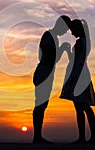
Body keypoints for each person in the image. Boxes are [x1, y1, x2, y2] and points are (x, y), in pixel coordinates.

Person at [32, 15, 71, 144]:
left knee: (42, 105)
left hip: (46, 72)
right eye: (66, 29)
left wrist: (61, 49)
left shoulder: (51, 37)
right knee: (40, 105)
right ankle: (37, 137)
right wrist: (61, 49)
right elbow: (50, 58)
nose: (66, 32)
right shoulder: (49, 36)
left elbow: (51, 58)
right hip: (44, 73)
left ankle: (38, 136)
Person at [60, 19, 95, 144]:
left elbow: (75, 60)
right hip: (82, 73)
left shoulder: (80, 42)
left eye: (72, 30)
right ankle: (91, 137)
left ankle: (84, 137)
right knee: (84, 106)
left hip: (78, 74)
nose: (71, 33)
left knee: (81, 107)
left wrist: (66, 50)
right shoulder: (86, 42)